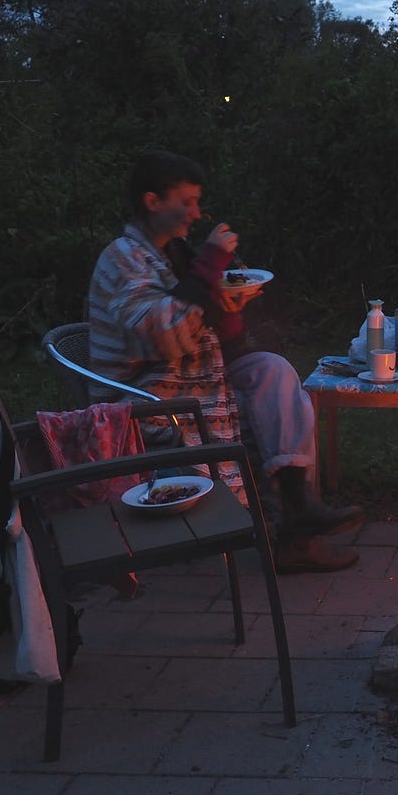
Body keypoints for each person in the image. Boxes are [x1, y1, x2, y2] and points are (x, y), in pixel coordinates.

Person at [88, 149, 363, 572]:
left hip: (193, 378)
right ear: (152, 201)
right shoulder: (123, 258)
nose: (197, 213)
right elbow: (161, 338)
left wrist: (228, 308)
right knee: (265, 398)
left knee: (273, 371)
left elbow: (214, 334)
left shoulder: (172, 253)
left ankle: (299, 512)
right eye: (187, 202)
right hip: (148, 396)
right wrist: (210, 266)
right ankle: (295, 533)